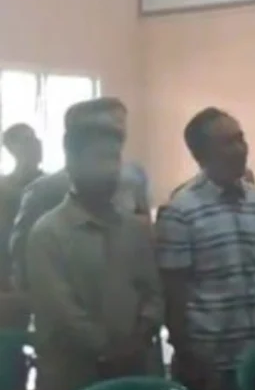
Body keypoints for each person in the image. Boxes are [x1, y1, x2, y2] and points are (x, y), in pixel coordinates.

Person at [155, 107, 255, 390]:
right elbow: (173, 294)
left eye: (241, 138)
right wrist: (189, 356)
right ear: (202, 154)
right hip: (210, 362)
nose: (240, 149)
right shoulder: (181, 211)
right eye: (228, 142)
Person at [26, 122, 163, 390]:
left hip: (137, 380)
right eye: (99, 159)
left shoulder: (135, 229)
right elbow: (63, 312)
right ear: (72, 163)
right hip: (73, 387)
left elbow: (154, 293)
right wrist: (109, 352)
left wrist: (140, 337)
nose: (111, 170)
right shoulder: (48, 233)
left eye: (115, 158)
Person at [10, 98, 151, 288]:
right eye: (109, 124)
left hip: (125, 288)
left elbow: (146, 236)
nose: (119, 130)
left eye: (121, 123)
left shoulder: (134, 176)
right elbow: (23, 258)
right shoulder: (42, 191)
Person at [0, 124, 43, 288]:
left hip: (43, 266)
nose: (36, 144)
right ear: (12, 148)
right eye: (27, 140)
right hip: (9, 272)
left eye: (36, 139)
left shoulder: (50, 187)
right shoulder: (4, 188)